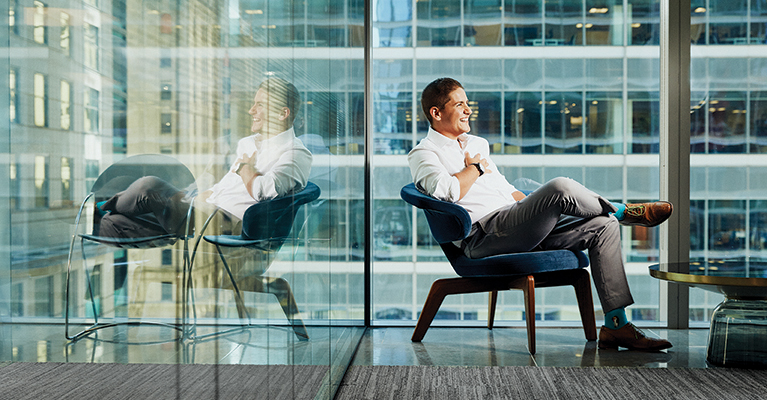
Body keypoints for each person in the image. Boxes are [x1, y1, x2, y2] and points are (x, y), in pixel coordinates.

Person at [408, 77, 673, 351]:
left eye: (468, 103)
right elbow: (445, 190)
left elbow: (504, 189)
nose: (468, 110)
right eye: (459, 104)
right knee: (561, 186)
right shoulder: (423, 153)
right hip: (484, 236)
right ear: (436, 113)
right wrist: (474, 168)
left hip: (514, 223)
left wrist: (536, 208)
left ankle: (616, 325)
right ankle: (624, 211)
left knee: (603, 225)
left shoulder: (477, 143)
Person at [97, 77, 312, 238]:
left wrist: (246, 168)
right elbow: (225, 186)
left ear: (282, 114)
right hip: (205, 210)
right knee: (112, 223)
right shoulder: (248, 143)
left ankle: (99, 207)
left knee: (148, 186)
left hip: (228, 223)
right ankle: (103, 217)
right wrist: (196, 198)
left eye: (260, 105)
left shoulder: (297, 154)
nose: (251, 110)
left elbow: (263, 191)